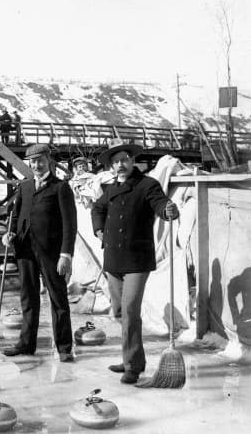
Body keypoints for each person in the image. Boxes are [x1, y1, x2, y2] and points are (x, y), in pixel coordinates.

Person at [91, 139, 179, 384]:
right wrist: (99, 230)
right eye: (115, 161)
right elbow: (97, 209)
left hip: (137, 259)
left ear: (132, 161)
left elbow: (160, 202)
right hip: (113, 259)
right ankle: (128, 356)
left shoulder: (147, 185)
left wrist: (168, 209)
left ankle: (134, 366)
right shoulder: (109, 189)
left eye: (124, 160)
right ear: (111, 166)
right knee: (119, 311)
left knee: (130, 310)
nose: (120, 165)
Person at [2, 144, 77, 361]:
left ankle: (63, 347)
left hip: (51, 252)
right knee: (28, 297)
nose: (36, 165)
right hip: (25, 250)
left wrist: (66, 255)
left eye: (40, 160)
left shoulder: (60, 188)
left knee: (58, 298)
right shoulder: (24, 186)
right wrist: (10, 234)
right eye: (32, 162)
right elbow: (15, 216)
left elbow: (69, 224)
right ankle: (26, 344)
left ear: (49, 161)